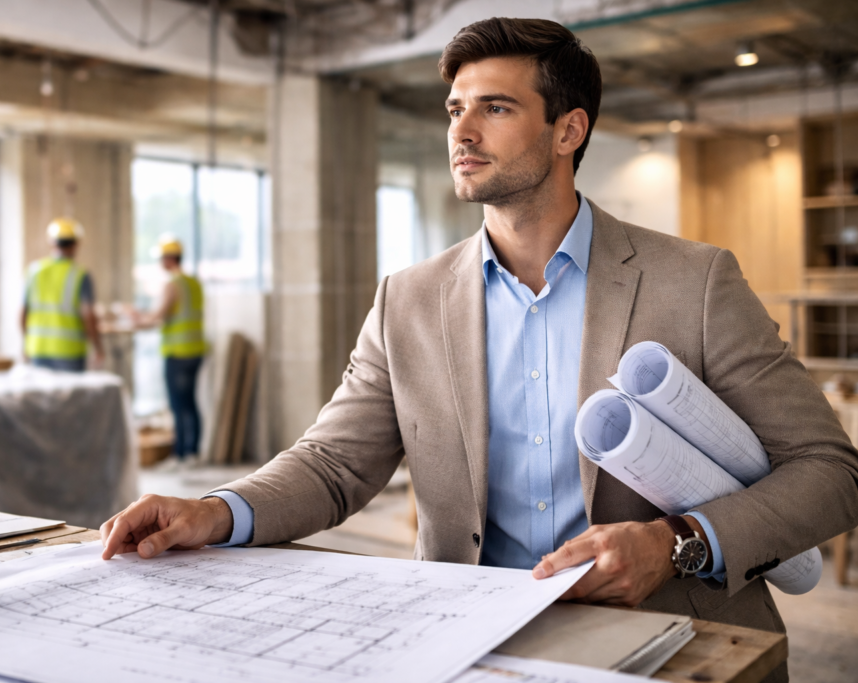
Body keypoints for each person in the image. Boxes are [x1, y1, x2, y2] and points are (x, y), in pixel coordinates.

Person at [101, 19, 858, 681]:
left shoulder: (693, 281)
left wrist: (678, 543)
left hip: (679, 636)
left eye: (495, 108)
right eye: (456, 109)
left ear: (569, 130)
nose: (462, 132)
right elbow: (334, 463)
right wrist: (211, 510)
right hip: (471, 642)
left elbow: (830, 471)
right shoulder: (409, 297)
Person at [137, 236, 207, 463]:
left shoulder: (172, 284)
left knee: (178, 405)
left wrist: (137, 319)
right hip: (196, 350)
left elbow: (159, 316)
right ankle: (193, 452)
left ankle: (180, 455)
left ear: (168, 259)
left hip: (178, 352)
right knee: (191, 402)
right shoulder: (193, 283)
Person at [21, 217, 103, 372]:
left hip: (38, 348)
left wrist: (25, 344)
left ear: (51, 242)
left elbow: (23, 313)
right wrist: (98, 347)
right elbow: (88, 316)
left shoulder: (33, 272)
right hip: (69, 352)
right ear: (76, 244)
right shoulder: (80, 275)